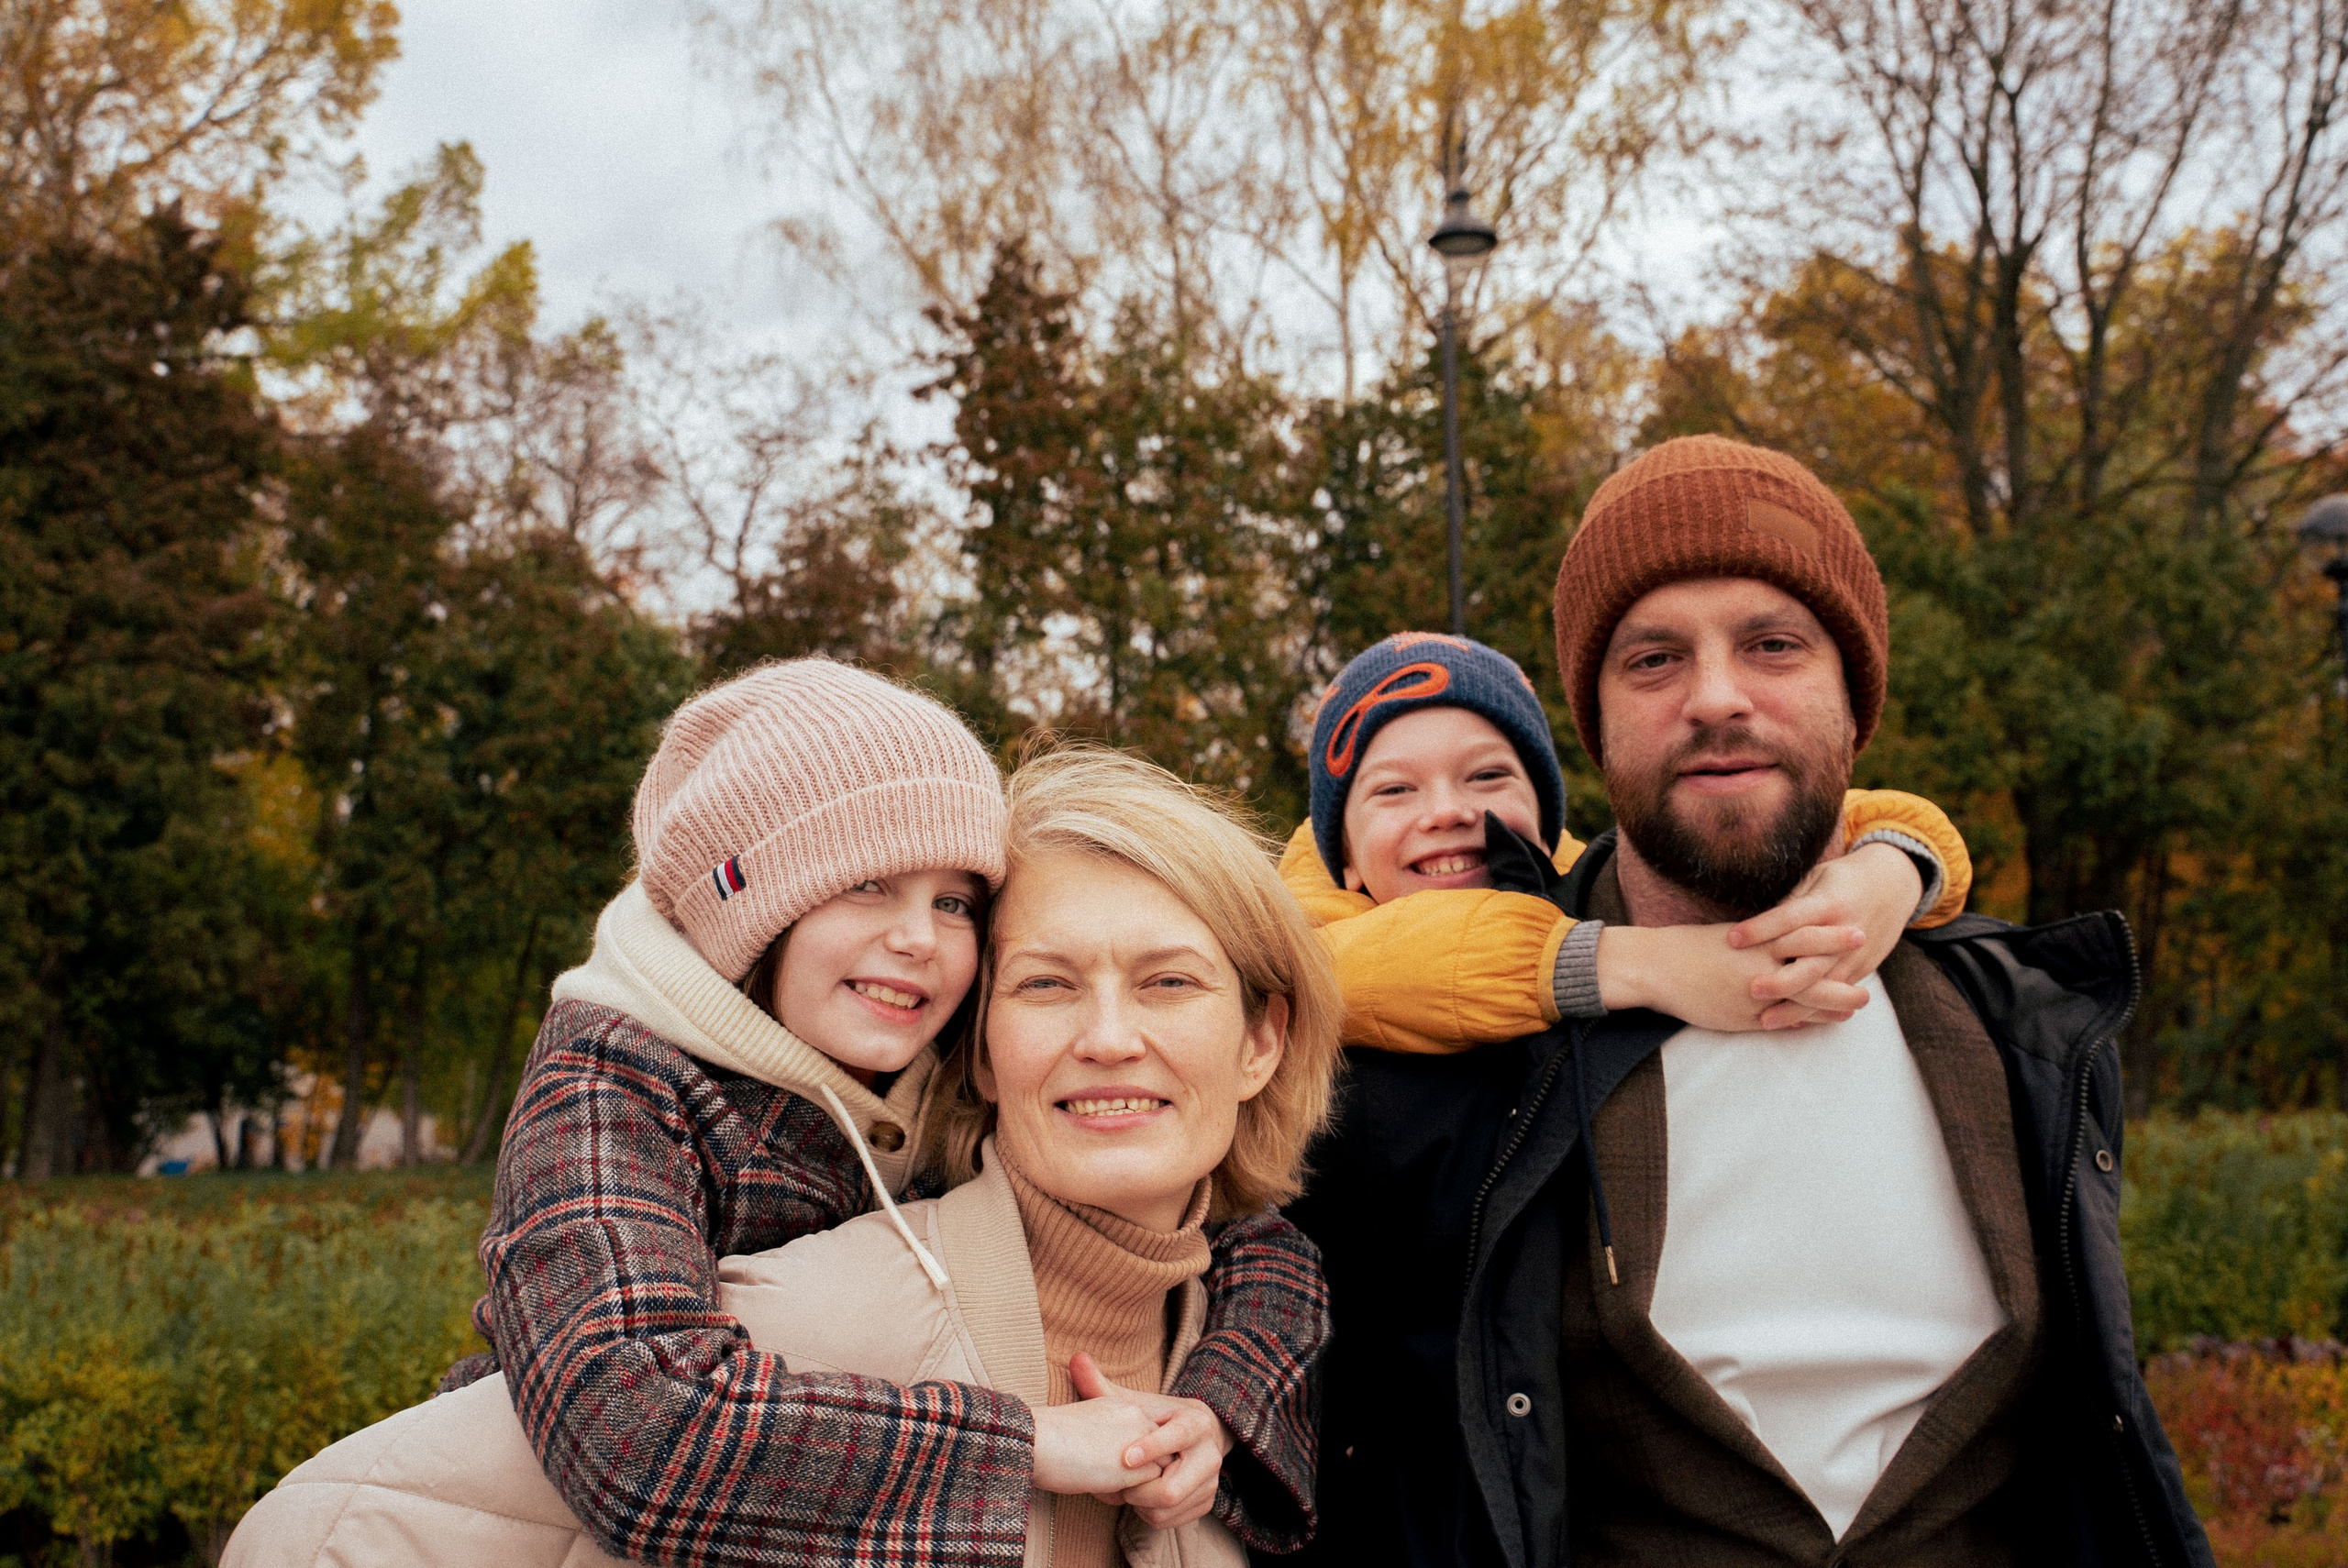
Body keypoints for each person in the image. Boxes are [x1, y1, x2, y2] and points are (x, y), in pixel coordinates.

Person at [1286, 435, 2212, 1567]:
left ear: (1855, 699)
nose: (1716, 698)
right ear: (1594, 725)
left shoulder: (2027, 1023)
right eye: (1653, 659)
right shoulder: (1449, 1052)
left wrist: (1899, 862)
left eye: (1773, 645)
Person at [223, 745, 1344, 1568]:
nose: (1107, 1037)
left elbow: (1266, 1250)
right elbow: (333, 1523)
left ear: (1262, 1040)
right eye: (1046, 984)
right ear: (982, 1050)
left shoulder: (1241, 1346)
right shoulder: (783, 1317)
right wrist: (1018, 1450)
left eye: (1168, 982)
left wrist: (1223, 1412)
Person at [1275, 631, 1974, 1055]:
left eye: (1487, 776)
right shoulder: (1293, 945)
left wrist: (1889, 866)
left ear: (1545, 818)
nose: (1448, 811)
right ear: (1344, 856)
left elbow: (1836, 809)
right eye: (1395, 790)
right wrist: (1647, 965)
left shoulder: (1582, 880)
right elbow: (1365, 969)